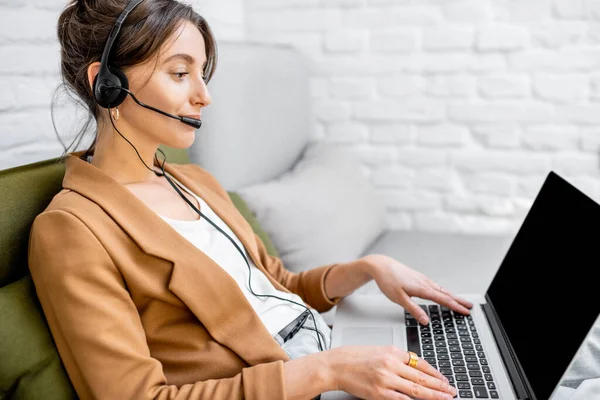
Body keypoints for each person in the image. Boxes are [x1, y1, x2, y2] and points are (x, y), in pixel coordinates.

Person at [28, 1, 473, 399]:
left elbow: (277, 285)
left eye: (203, 75)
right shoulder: (72, 229)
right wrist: (324, 372)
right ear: (106, 85)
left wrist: (367, 269)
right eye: (180, 73)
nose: (204, 96)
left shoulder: (197, 182)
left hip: (332, 359)